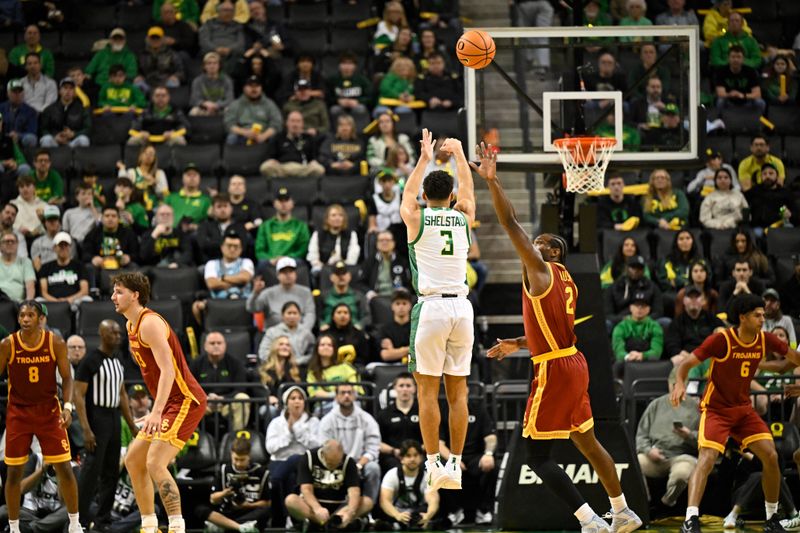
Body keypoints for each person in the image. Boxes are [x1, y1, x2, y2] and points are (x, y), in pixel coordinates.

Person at [475, 141, 642, 533]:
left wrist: (493, 182)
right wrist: (517, 343)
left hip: (553, 370)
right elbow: (550, 329)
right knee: (588, 442)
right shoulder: (566, 281)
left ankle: (589, 520)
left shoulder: (541, 268)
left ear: (551, 251)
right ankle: (622, 511)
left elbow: (509, 224)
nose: (531, 243)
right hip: (571, 360)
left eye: (541, 241)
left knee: (536, 455)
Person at [671, 293, 800, 533]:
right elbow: (686, 364)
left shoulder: (765, 340)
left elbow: (794, 359)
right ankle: (691, 519)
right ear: (742, 317)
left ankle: (771, 518)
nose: (763, 319)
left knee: (771, 456)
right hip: (716, 409)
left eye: (764, 314)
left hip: (743, 410)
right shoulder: (722, 340)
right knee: (707, 457)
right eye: (757, 315)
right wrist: (680, 383)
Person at [398, 130, 475, 492]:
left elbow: (406, 197)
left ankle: (433, 464)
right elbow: (470, 194)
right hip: (463, 308)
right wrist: (459, 154)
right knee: (458, 392)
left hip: (430, 308)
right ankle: (456, 464)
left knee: (427, 393)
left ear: (426, 196)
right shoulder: (463, 217)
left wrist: (424, 157)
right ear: (453, 196)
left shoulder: (417, 216)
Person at [111, 272, 208, 533]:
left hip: (186, 399)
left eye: (119, 291)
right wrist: (157, 409)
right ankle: (149, 525)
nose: (113, 297)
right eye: (113, 291)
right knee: (133, 459)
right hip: (169, 402)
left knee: (155, 461)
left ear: (135, 295)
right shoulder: (131, 326)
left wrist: (156, 411)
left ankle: (177, 526)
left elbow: (167, 370)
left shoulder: (149, 323)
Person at [0, 300, 82, 533]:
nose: (25, 319)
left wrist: (67, 407)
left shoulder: (55, 342)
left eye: (30, 315)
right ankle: (14, 528)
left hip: (49, 411)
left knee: (64, 467)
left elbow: (67, 379)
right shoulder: (8, 344)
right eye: (22, 315)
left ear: (40, 319)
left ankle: (75, 524)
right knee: (13, 472)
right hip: (18, 412)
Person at [74, 319, 136, 531]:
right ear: (102, 335)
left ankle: (103, 520)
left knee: (111, 471)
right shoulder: (90, 361)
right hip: (96, 418)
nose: (118, 337)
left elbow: (122, 395)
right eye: (113, 333)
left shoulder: (119, 359)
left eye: (119, 334)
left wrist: (132, 425)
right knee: (91, 471)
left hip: (114, 417)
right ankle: (78, 521)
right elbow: (78, 396)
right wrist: (86, 429)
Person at [635, 370, 700, 507]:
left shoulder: (696, 408)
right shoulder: (656, 405)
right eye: (674, 384)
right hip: (656, 455)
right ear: (669, 384)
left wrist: (689, 435)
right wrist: (648, 451)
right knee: (635, 464)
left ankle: (668, 501)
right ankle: (643, 503)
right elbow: (641, 435)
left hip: (683, 456)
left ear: (686, 384)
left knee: (681, 474)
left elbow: (704, 440)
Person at [265, 386, 321, 527]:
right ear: (286, 402)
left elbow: (318, 446)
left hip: (305, 462)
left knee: (295, 458)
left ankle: (288, 520)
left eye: (300, 398)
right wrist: (288, 434)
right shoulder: (276, 423)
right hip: (279, 461)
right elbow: (270, 447)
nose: (297, 402)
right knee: (288, 477)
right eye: (293, 398)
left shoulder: (313, 422)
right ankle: (286, 520)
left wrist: (298, 430)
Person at [285, 439, 372, 529]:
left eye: (337, 463)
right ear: (323, 454)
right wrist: (317, 508)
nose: (333, 467)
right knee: (291, 500)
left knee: (367, 502)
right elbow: (306, 489)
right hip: (314, 505)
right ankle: (328, 524)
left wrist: (350, 512)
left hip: (339, 507)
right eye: (330, 463)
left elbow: (354, 491)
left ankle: (337, 521)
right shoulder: (309, 457)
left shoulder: (348, 462)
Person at [319, 383, 382, 504]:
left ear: (355, 396)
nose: (346, 396)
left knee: (373, 468)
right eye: (342, 393)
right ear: (336, 397)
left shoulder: (367, 419)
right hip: (336, 464)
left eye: (350, 392)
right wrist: (343, 466)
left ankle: (368, 508)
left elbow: (373, 448)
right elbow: (324, 448)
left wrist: (358, 466)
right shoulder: (327, 421)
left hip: (360, 463)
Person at [437, 399, 498, 525]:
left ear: (466, 390)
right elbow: (439, 443)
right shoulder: (442, 411)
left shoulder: (479, 410)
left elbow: (490, 437)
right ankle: (454, 511)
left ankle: (484, 510)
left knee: (491, 465)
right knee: (439, 469)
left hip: (475, 456)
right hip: (452, 455)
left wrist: (488, 454)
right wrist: (453, 459)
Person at [196, 436, 268, 533]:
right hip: (227, 511)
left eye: (242, 460)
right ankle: (241, 528)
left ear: (249, 456)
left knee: (267, 511)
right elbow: (213, 499)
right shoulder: (224, 470)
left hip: (250, 512)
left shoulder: (261, 472)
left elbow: (267, 503)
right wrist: (224, 493)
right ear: (231, 455)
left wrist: (247, 505)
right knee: (200, 509)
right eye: (235, 459)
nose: (238, 463)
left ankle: (223, 525)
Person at [190, 331, 250, 432]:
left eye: (219, 343)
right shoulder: (196, 364)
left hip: (226, 404)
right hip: (204, 404)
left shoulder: (235, 363)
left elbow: (241, 389)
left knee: (242, 398)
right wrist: (206, 399)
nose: (216, 346)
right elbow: (189, 388)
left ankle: (237, 438)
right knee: (187, 403)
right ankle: (194, 439)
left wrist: (222, 398)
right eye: (212, 343)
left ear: (225, 345)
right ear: (205, 346)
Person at [192, 232, 254, 324]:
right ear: (222, 247)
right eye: (229, 246)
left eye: (236, 246)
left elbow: (244, 278)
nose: (232, 249)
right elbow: (212, 284)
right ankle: (205, 332)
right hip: (217, 302)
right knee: (196, 306)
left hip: (242, 301)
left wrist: (222, 278)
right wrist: (237, 281)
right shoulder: (212, 264)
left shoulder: (247, 262)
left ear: (241, 249)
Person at [379, 440, 441, 529]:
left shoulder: (427, 476)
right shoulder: (391, 475)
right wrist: (397, 515)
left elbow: (433, 500)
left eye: (415, 455)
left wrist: (428, 516)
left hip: (418, 513)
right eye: (408, 456)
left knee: (434, 510)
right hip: (396, 512)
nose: (412, 459)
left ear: (421, 457)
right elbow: (384, 501)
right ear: (401, 459)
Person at [247, 256, 315, 330]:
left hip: (300, 333)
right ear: (277, 275)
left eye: (291, 271)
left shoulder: (306, 292)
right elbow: (252, 308)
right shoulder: (268, 293)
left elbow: (310, 314)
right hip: (273, 334)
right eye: (284, 272)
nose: (288, 275)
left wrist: (302, 332)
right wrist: (255, 293)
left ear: (295, 274)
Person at [664, 287, 726, 367]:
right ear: (684, 301)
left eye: (697, 297)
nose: (693, 300)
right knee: (677, 359)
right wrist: (682, 353)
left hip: (709, 358)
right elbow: (671, 344)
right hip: (686, 358)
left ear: (703, 300)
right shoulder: (677, 322)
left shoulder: (713, 319)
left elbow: (725, 338)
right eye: (690, 297)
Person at [377, 373, 422, 473]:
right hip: (394, 457)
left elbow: (433, 437)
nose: (405, 389)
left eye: (408, 386)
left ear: (415, 389)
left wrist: (415, 454)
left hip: (420, 456)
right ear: (394, 388)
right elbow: (377, 441)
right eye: (401, 386)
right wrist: (394, 451)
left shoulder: (423, 412)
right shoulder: (384, 414)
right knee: (392, 467)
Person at [605, 255, 665, 329]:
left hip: (646, 323)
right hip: (622, 323)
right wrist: (624, 319)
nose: (636, 270)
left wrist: (643, 319)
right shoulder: (615, 287)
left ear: (643, 270)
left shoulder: (652, 286)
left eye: (639, 268)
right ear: (626, 268)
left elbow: (658, 312)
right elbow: (608, 314)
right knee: (606, 324)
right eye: (633, 267)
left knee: (665, 322)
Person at [259, 111, 325, 178]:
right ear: (287, 123)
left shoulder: (309, 138)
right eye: (292, 121)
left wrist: (313, 162)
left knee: (319, 169)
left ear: (302, 124)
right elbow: (268, 156)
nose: (295, 124)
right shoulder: (278, 137)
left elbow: (314, 158)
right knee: (265, 166)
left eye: (298, 121)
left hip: (303, 168)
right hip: (282, 168)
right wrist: (271, 160)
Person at [81, 206, 140, 281]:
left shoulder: (128, 233)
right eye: (107, 216)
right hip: (101, 266)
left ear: (119, 219)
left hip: (121, 266)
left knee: (134, 266)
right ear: (101, 218)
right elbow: (85, 254)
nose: (110, 218)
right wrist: (93, 259)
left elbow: (137, 254)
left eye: (114, 216)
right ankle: (94, 291)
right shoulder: (93, 233)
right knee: (89, 267)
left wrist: (129, 258)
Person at [38, 231, 91, 311]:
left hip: (73, 302)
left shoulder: (79, 266)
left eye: (66, 245)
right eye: (60, 245)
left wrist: (68, 300)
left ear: (70, 247)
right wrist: (56, 302)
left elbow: (84, 290)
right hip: (51, 302)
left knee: (87, 300)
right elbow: (43, 292)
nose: (63, 248)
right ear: (54, 248)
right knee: (37, 301)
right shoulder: (45, 267)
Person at [611, 293, 664, 369]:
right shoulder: (621, 327)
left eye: (643, 306)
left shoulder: (655, 326)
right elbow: (618, 351)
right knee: (617, 364)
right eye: (636, 305)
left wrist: (642, 355)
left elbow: (656, 352)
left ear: (648, 309)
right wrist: (628, 356)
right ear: (630, 307)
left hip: (649, 363)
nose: (639, 308)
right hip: (626, 363)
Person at [195, 193, 251, 265]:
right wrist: (229, 245)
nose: (222, 210)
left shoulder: (239, 226)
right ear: (213, 210)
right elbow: (203, 245)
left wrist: (215, 242)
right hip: (211, 262)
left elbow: (243, 247)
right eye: (219, 207)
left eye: (225, 206)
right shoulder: (204, 226)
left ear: (231, 208)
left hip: (236, 263)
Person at [224, 76, 281, 145]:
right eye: (250, 86)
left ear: (261, 88)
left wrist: (264, 136)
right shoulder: (236, 104)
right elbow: (229, 124)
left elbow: (277, 124)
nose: (254, 89)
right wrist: (244, 132)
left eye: (257, 86)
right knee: (232, 138)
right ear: (244, 88)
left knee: (276, 138)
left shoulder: (269, 104)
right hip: (243, 135)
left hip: (264, 136)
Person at [307, 204, 361, 276]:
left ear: (344, 219)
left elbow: (353, 255)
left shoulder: (351, 234)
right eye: (333, 215)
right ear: (327, 219)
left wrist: (344, 266)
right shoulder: (318, 234)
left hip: (345, 268)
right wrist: (322, 267)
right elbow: (313, 254)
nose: (337, 218)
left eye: (340, 215)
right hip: (323, 267)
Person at [39, 78, 90, 149]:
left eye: (71, 88)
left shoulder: (82, 109)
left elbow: (87, 128)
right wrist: (55, 136)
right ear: (59, 91)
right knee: (46, 139)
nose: (68, 91)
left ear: (74, 92)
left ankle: (80, 160)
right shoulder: (49, 109)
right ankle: (48, 160)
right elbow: (43, 129)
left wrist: (74, 134)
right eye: (65, 88)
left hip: (73, 142)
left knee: (84, 140)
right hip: (55, 141)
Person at [714, 45, 765, 116]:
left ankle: (762, 124)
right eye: (733, 57)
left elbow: (757, 94)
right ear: (728, 58)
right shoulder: (721, 72)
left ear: (743, 59)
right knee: (720, 101)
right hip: (729, 100)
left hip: (747, 100)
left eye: (738, 57)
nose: (736, 60)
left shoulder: (751, 71)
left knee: (760, 102)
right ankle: (719, 122)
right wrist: (730, 94)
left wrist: (742, 95)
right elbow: (720, 93)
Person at [258, 335, 302, 415]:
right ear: (274, 347)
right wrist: (267, 398)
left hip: (289, 405)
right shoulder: (263, 370)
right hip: (269, 405)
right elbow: (258, 390)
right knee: (269, 410)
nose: (285, 347)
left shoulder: (296, 370)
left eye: (287, 345)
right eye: (281, 344)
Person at [745, 163, 793, 236]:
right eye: (764, 174)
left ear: (777, 176)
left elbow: (795, 212)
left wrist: (790, 215)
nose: (767, 176)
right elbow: (740, 200)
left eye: (771, 173)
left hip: (779, 226)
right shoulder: (754, 191)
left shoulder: (785, 192)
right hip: (758, 227)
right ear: (761, 177)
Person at [198, 1, 246, 73]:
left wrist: (229, 49)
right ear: (218, 11)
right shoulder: (209, 24)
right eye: (225, 10)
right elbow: (204, 42)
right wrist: (216, 49)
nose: (229, 13)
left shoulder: (238, 26)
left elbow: (241, 43)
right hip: (211, 54)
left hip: (232, 55)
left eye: (231, 11)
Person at [320, 261, 370, 329]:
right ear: (331, 277)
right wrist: (322, 324)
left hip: (353, 331)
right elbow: (317, 316)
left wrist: (360, 325)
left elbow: (367, 317)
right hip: (329, 332)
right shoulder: (323, 296)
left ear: (349, 276)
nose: (341, 277)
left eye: (344, 273)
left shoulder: (359, 296)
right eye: (337, 274)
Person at [135, 26, 185, 94]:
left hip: (165, 83)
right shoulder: (142, 54)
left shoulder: (171, 54)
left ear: (163, 39)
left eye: (158, 38)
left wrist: (176, 76)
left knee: (174, 83)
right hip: (147, 83)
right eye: (152, 38)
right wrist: (138, 76)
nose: (155, 40)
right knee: (137, 83)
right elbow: (136, 70)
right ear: (148, 39)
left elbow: (181, 71)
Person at [326, 53, 371, 124]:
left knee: (360, 109)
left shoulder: (362, 80)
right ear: (339, 65)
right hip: (339, 106)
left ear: (355, 66)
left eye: (350, 64)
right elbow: (327, 97)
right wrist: (338, 101)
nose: (347, 66)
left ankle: (360, 133)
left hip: (356, 106)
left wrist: (358, 101)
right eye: (344, 63)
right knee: (334, 110)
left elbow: (369, 96)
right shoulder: (332, 80)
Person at [164, 163, 212, 230]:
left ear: (199, 178)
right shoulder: (171, 197)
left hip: (194, 235)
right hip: (171, 233)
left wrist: (198, 227)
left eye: (195, 175)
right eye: (188, 175)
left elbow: (209, 222)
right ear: (182, 178)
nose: (192, 178)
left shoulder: (206, 200)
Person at [373, 288, 413, 367]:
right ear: (392, 306)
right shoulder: (384, 329)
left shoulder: (417, 328)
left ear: (410, 306)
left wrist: (395, 351)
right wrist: (410, 349)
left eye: (404, 303)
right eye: (397, 304)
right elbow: (386, 356)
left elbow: (420, 352)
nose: (401, 307)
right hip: (390, 365)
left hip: (413, 364)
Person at [322, 303, 371, 367]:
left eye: (345, 313)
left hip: (354, 368)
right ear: (333, 316)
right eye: (339, 312)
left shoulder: (359, 334)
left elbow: (364, 357)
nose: (342, 315)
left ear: (350, 316)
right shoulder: (325, 334)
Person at [189, 51, 234, 116]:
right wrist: (205, 104)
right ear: (204, 66)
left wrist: (216, 105)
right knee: (194, 111)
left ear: (219, 65)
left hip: (221, 108)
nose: (212, 66)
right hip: (204, 108)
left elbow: (230, 99)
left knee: (230, 111)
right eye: (209, 63)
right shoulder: (197, 81)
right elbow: (194, 99)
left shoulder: (226, 80)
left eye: (215, 63)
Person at [0, 79, 38, 149]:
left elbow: (32, 131)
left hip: (21, 140)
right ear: (8, 93)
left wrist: (18, 135)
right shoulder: (1, 108)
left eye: (20, 92)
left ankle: (27, 158)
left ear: (23, 93)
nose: (17, 95)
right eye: (14, 92)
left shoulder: (31, 111)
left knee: (31, 138)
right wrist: (7, 136)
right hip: (3, 139)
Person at [0, 230, 35, 302]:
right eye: (6, 241)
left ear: (17, 244)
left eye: (12, 241)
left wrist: (27, 304)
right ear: (0, 245)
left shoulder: (26, 262)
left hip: (17, 304)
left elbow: (30, 287)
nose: (10, 243)